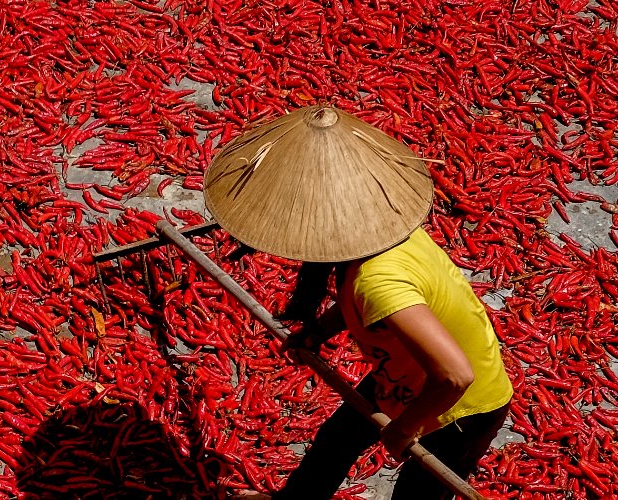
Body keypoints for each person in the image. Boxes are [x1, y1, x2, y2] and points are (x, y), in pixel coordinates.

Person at [200, 106, 514, 500]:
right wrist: (319, 331)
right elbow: (367, 307)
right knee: (335, 442)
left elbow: (454, 376)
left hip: (461, 408)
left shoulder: (379, 280)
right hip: (404, 376)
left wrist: (405, 427)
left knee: (417, 494)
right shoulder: (383, 234)